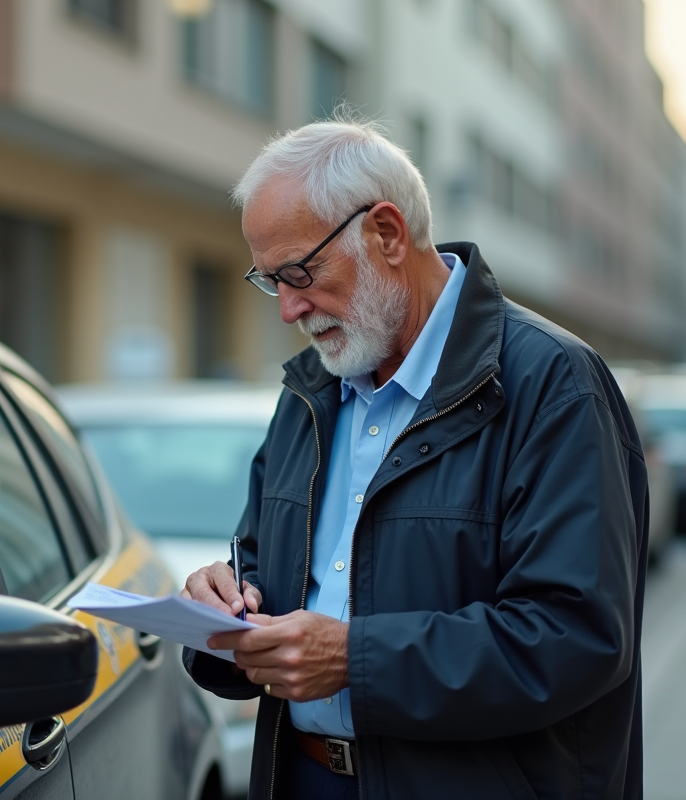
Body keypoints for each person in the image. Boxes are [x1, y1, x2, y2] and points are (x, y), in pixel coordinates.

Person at [180, 116, 647, 799]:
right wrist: (222, 606)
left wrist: (352, 659)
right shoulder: (309, 392)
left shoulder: (552, 384)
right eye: (269, 280)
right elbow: (262, 562)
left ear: (388, 234)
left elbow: (576, 637)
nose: (287, 309)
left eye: (300, 271)